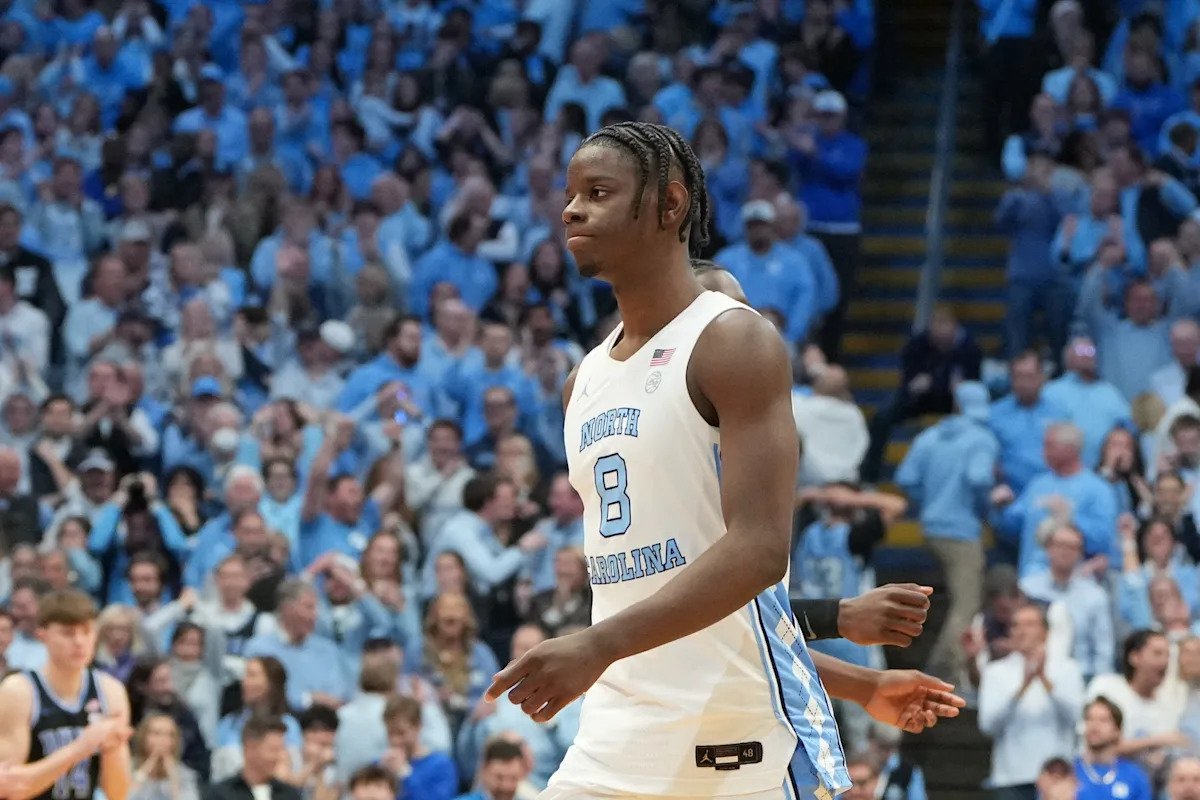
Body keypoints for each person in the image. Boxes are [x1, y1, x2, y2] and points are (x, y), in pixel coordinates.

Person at [484, 122, 961, 799]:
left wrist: (596, 645)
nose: (571, 210)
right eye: (569, 195)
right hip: (615, 734)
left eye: (597, 192)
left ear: (670, 204)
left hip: (733, 745)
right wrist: (861, 678)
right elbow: (682, 599)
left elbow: (759, 557)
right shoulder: (582, 382)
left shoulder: (733, 341)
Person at [0, 588, 133, 800]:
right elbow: (8, 788)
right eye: (68, 633)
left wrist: (113, 750)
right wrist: (80, 749)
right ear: (42, 635)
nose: (79, 642)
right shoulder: (19, 692)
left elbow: (118, 794)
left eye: (86, 631)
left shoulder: (111, 691)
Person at [978, 603, 1085, 800]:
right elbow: (988, 725)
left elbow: (1076, 717)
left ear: (1045, 632)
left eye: (1029, 624)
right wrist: (1022, 688)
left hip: (1057, 777)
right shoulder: (995, 672)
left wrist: (1044, 680)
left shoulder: (1068, 668)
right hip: (1010, 778)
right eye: (1016, 625)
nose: (1021, 631)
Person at [202, 714, 302, 800]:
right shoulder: (221, 795)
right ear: (250, 749)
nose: (280, 756)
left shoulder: (289, 795)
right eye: (273, 750)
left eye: (282, 749)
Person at [1074, 697, 1153, 800]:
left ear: (1117, 730)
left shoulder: (1135, 776)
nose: (1094, 726)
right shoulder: (1069, 772)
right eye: (1089, 719)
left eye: (1103, 720)